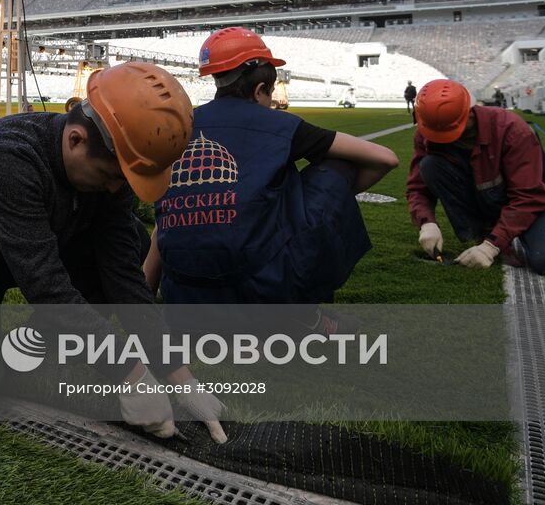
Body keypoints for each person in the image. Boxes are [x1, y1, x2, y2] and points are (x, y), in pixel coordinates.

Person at [0, 61, 226, 439]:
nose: (116, 189)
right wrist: (128, 373)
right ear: (75, 140)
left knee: (130, 243)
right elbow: (43, 281)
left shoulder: (116, 166)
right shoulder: (8, 158)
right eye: (110, 177)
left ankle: (26, 344)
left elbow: (123, 275)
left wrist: (178, 374)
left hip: (46, 243)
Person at [149, 28, 399, 312]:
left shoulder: (182, 124)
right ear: (259, 91)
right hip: (263, 290)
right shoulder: (281, 125)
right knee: (336, 166)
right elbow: (385, 159)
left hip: (184, 290)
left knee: (182, 195)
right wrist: (309, 202)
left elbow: (165, 214)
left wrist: (145, 293)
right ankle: (307, 310)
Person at [407, 79, 545, 274]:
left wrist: (491, 247)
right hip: (488, 195)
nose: (441, 139)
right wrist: (427, 222)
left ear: (469, 113)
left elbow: (529, 196)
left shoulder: (511, 129)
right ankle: (486, 233)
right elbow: (418, 187)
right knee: (431, 165)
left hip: (541, 198)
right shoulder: (429, 134)